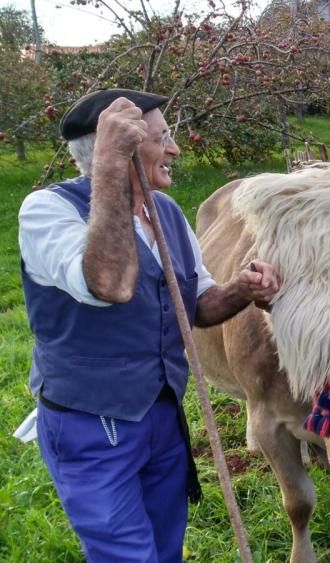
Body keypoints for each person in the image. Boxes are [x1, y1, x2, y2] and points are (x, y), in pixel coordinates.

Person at [18, 89, 281, 561]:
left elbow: (197, 306)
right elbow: (109, 283)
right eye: (162, 138)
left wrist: (243, 289)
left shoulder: (168, 215)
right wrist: (112, 172)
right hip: (92, 423)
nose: (175, 150)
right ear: (115, 150)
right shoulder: (46, 211)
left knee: (164, 547)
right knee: (128, 556)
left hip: (161, 414)